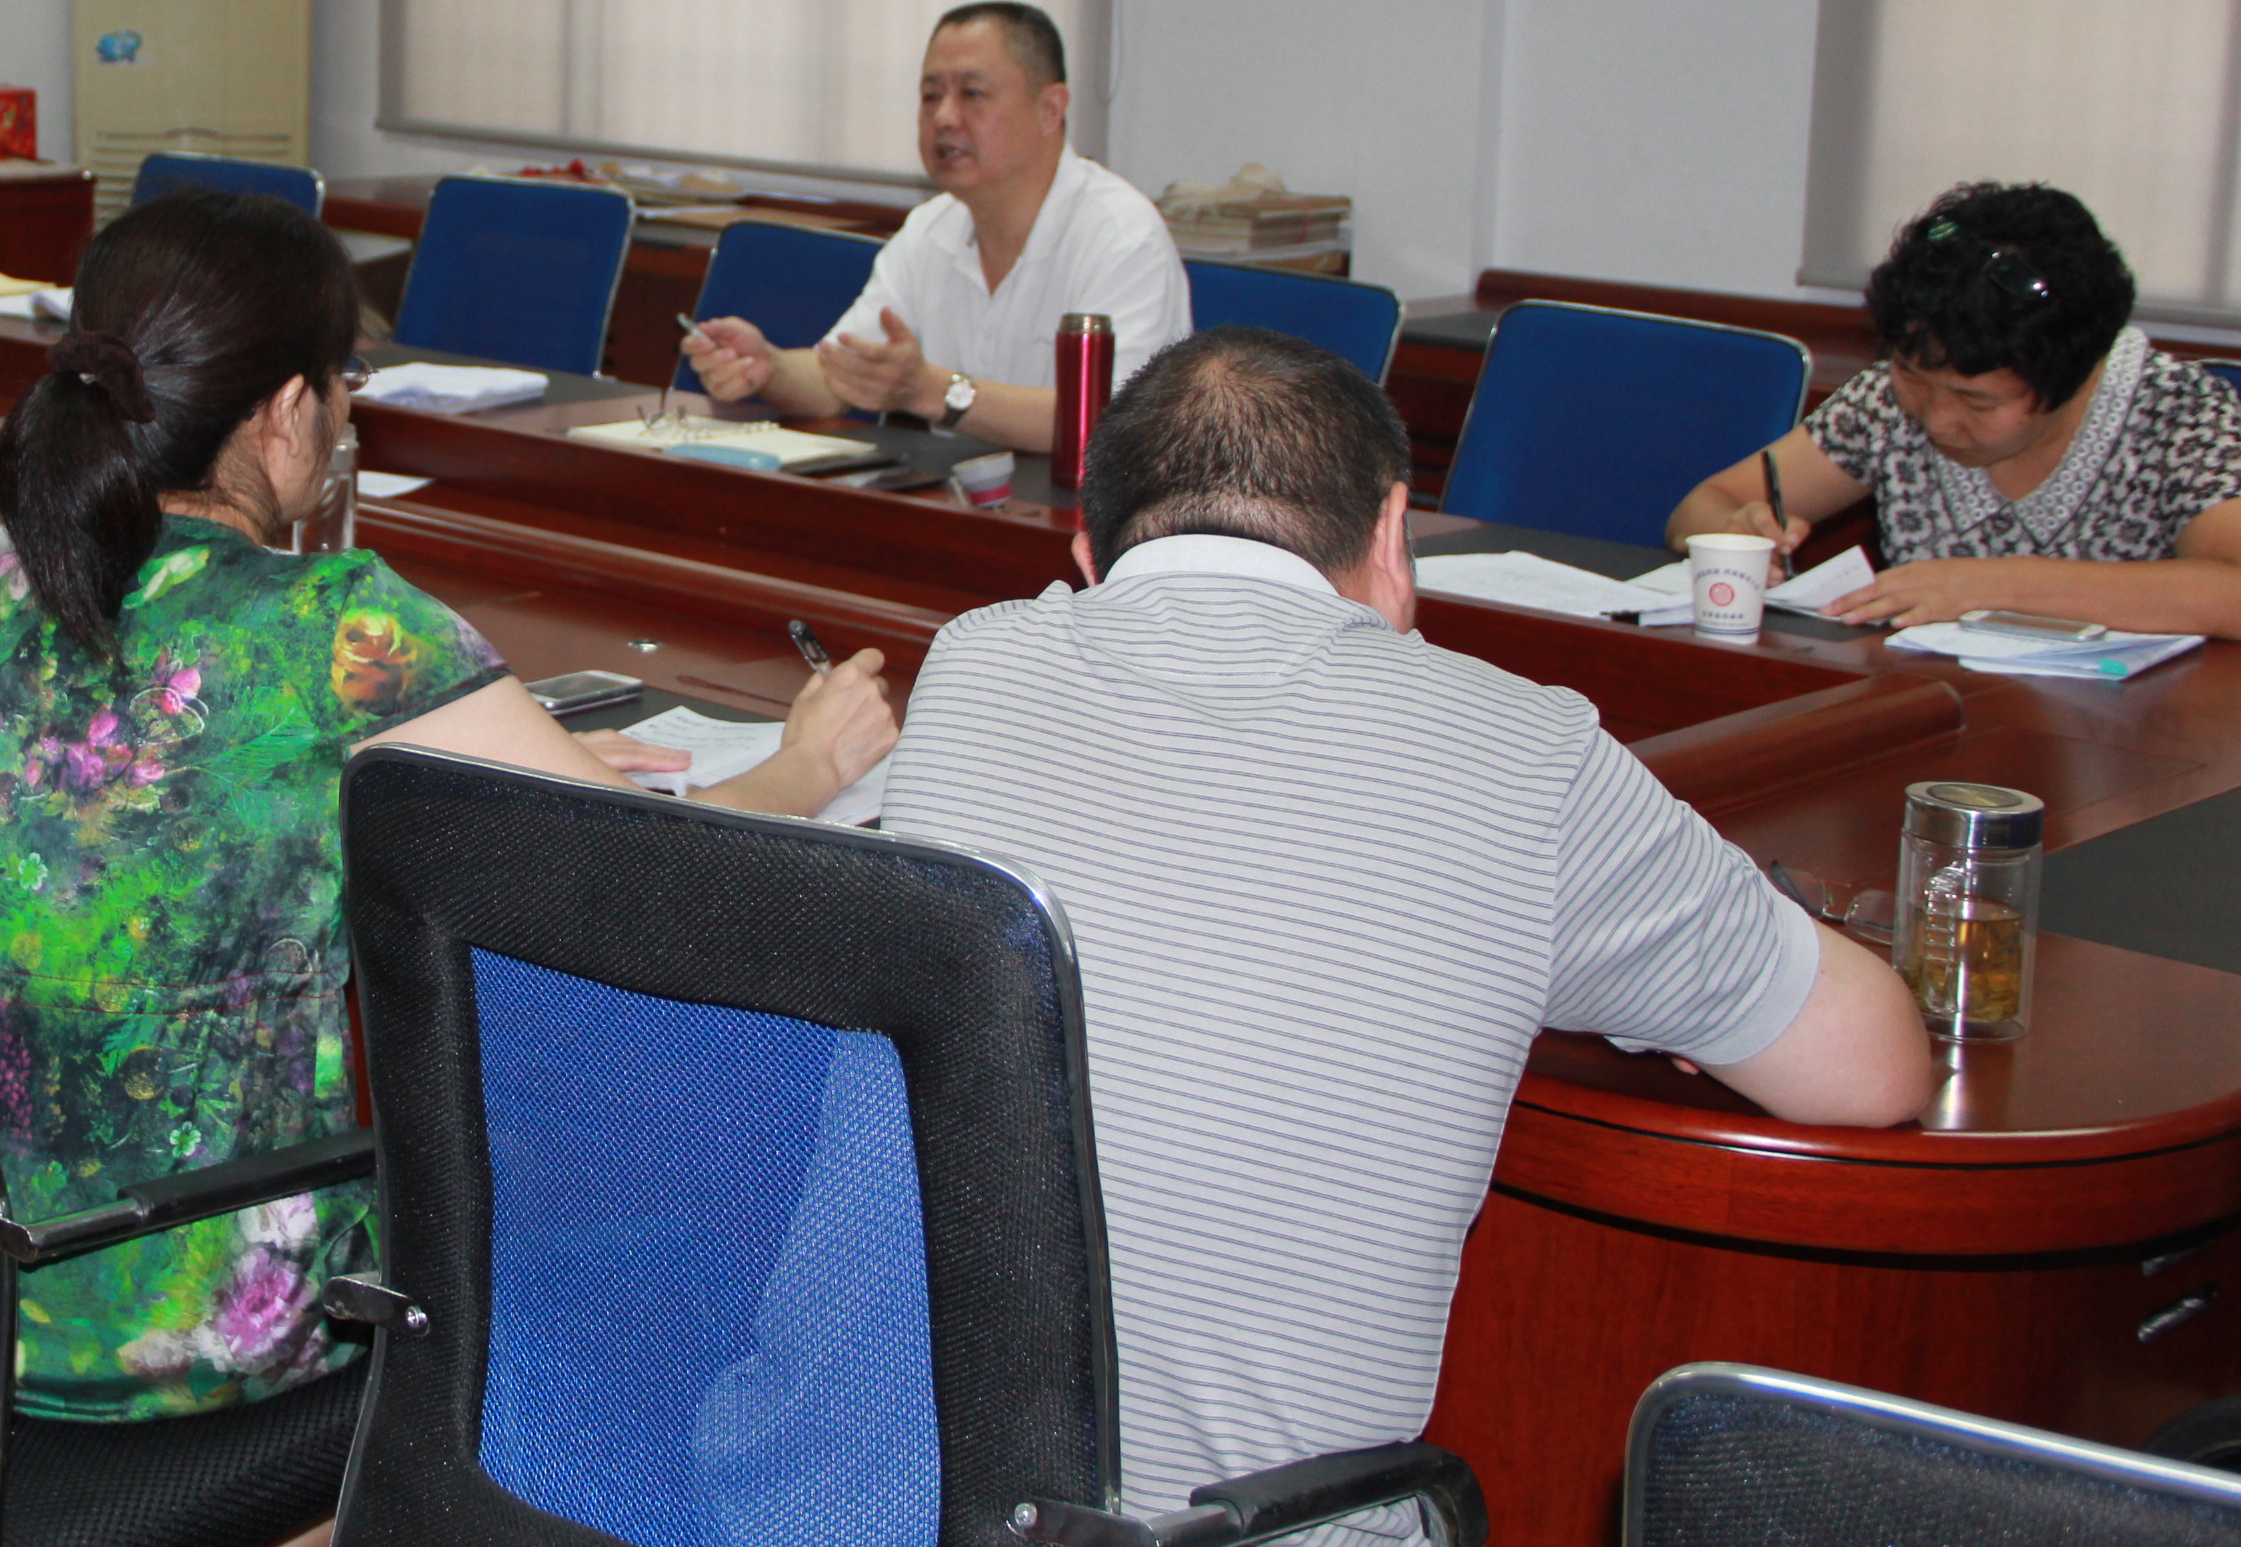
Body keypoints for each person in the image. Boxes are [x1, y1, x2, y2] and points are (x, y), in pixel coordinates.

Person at [877, 327, 1932, 1535]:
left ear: (1085, 554)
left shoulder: (973, 664)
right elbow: (1871, 1069)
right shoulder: (1521, 752)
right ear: (1393, 531)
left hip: (868, 1500)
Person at [0, 190, 897, 1423]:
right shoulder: (335, 629)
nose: (345, 418)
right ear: (287, 409)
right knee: (669, 1188)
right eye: (345, 385)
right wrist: (807, 767)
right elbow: (649, 870)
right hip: (197, 1323)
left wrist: (496, 750)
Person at [1668, 183, 2241, 635]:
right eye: (1912, 377)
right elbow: (1704, 505)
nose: (1937, 418)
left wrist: (1994, 586)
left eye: (1976, 400)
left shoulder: (2175, 411)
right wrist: (1736, 535)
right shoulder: (1886, 401)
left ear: (2076, 377)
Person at [681, 1, 1187, 450]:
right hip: (967, 500)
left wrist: (930, 391)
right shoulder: (930, 228)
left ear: (1049, 109)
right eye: (930, 96)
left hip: (1094, 515)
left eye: (972, 93)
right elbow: (842, 377)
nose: (944, 117)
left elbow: (1114, 425)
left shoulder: (1122, 237)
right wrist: (769, 367)